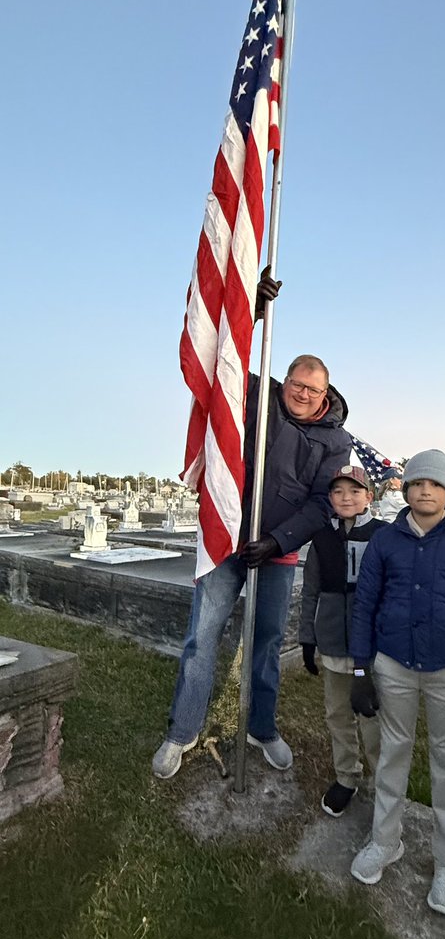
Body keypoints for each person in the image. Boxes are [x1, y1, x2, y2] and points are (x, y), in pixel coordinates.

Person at [152, 278, 352, 779]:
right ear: (285, 382)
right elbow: (227, 361)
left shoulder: (336, 441)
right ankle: (182, 731)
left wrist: (279, 541)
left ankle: (262, 727)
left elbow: (320, 502)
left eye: (314, 389)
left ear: (326, 394)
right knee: (203, 636)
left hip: (277, 553)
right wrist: (256, 312)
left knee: (264, 643)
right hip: (227, 539)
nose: (303, 395)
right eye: (297, 386)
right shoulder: (260, 397)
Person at [348, 450, 445, 917]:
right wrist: (360, 672)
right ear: (406, 489)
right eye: (416, 483)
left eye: (434, 485)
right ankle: (385, 840)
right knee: (392, 754)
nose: (424, 491)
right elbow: (365, 606)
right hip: (394, 665)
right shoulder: (385, 543)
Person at [299, 465, 386, 816]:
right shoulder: (322, 538)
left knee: (373, 716)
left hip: (375, 647)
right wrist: (308, 637)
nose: (346, 497)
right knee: (338, 714)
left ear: (368, 497)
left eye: (354, 491)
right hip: (334, 642)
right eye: (338, 492)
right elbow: (311, 591)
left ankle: (385, 782)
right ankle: (347, 776)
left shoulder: (383, 535)